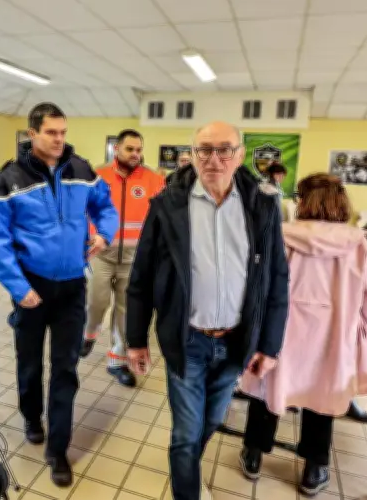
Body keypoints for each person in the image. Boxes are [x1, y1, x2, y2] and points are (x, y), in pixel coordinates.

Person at [126, 121, 289, 500]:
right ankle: (187, 487)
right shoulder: (168, 205)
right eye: (205, 149)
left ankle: (188, 471)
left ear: (240, 155)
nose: (214, 159)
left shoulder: (262, 207)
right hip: (187, 339)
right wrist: (135, 339)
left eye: (224, 149)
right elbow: (141, 276)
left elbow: (277, 279)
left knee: (212, 419)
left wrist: (270, 345)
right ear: (193, 154)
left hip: (236, 341)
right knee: (185, 433)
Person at [0, 103, 118, 487]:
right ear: (33, 134)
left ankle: (58, 450)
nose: (59, 139)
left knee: (65, 368)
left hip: (72, 287)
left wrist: (103, 233)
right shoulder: (9, 179)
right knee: (29, 363)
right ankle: (31, 417)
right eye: (51, 132)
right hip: (32, 287)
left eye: (63, 132)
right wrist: (19, 288)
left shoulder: (82, 170)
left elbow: (105, 206)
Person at [238, 173, 367, 496]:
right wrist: (362, 328)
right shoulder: (357, 244)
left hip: (282, 331)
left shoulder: (281, 235)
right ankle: (314, 467)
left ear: (303, 201)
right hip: (333, 335)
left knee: (267, 391)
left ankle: (254, 452)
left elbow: (257, 282)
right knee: (323, 398)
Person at [80, 130, 165, 387]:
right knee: (95, 302)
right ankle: (89, 333)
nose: (135, 154)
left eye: (138, 149)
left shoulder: (153, 179)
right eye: (130, 149)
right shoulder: (97, 176)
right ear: (116, 149)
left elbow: (161, 220)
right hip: (100, 255)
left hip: (134, 259)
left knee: (125, 312)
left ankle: (117, 360)